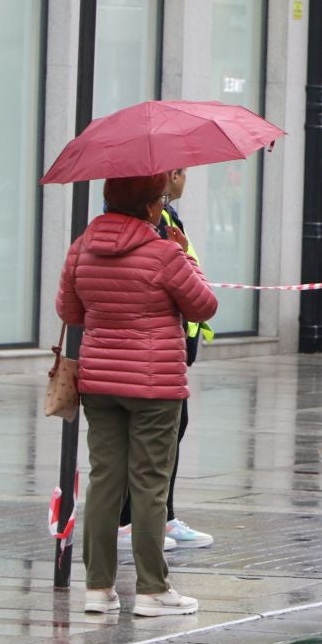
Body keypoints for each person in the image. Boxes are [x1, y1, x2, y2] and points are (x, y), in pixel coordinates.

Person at [57, 172, 219, 619]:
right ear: (150, 207)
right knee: (150, 483)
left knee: (104, 480)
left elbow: (69, 312)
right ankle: (151, 590)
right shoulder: (164, 252)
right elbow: (203, 305)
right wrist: (187, 258)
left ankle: (97, 588)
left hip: (99, 381)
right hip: (154, 384)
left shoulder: (81, 249)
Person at [118, 167, 214, 555]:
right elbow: (197, 298)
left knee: (158, 436)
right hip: (151, 353)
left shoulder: (166, 223)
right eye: (183, 173)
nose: (185, 179)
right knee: (148, 442)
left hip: (153, 351)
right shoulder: (154, 233)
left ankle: (158, 518)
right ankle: (135, 526)